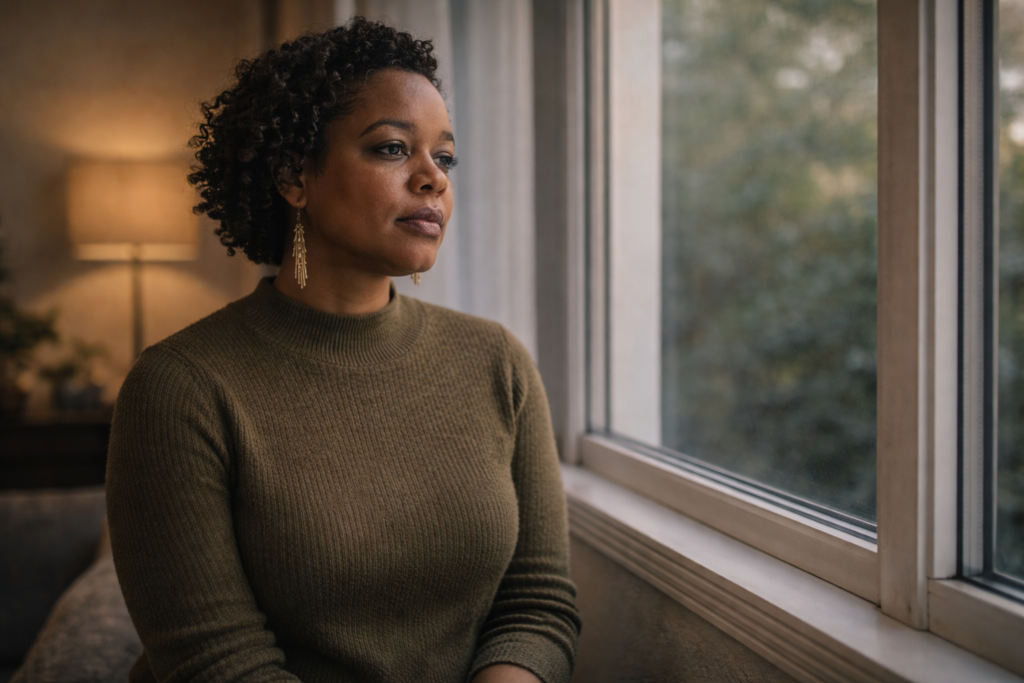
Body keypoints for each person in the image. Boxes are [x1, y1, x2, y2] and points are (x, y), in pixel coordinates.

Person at [105, 17, 580, 683]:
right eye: (392, 149)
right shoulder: (180, 386)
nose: (433, 179)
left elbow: (536, 605)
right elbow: (216, 659)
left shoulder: (497, 361)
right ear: (294, 177)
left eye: (445, 157)